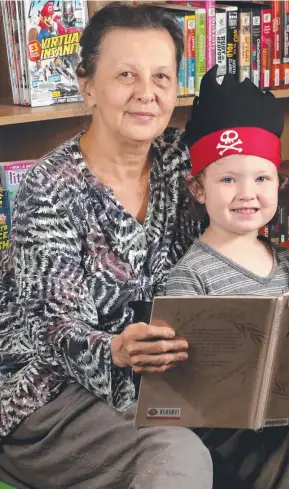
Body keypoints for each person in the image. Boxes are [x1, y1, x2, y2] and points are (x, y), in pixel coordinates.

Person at [0, 3, 213, 489]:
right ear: (87, 86)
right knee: (175, 453)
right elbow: (54, 329)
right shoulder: (49, 186)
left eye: (162, 76)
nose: (146, 94)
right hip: (48, 397)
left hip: (164, 383)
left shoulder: (183, 163)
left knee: (269, 432)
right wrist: (116, 351)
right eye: (125, 75)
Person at [164, 65, 289, 489]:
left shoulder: (288, 263)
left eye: (262, 178)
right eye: (228, 178)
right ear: (198, 190)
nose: (247, 193)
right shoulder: (191, 276)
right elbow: (185, 387)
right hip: (226, 440)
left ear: (278, 185)